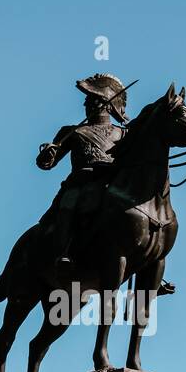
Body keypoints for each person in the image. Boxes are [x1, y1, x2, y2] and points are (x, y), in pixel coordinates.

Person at [36, 73, 129, 269]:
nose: (85, 105)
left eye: (90, 101)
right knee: (68, 205)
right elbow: (48, 164)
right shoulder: (72, 131)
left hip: (111, 182)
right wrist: (47, 155)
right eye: (86, 102)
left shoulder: (123, 133)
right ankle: (63, 252)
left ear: (104, 104)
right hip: (81, 182)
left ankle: (146, 257)